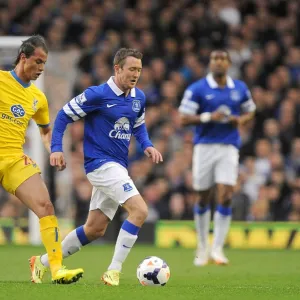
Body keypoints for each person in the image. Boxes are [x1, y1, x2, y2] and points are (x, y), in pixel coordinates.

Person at [30, 48, 163, 286]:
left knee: (94, 229)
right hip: (100, 165)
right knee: (140, 211)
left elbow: (139, 126)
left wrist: (148, 145)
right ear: (117, 68)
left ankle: (41, 261)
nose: (136, 74)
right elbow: (63, 116)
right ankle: (114, 270)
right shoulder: (97, 95)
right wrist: (57, 148)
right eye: (131, 69)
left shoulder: (138, 98)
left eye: (139, 70)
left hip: (118, 167)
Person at [0, 35, 83, 283]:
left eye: (44, 63)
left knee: (46, 207)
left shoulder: (38, 98)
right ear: (23, 57)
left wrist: (53, 149)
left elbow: (45, 131)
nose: (41, 68)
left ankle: (56, 269)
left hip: (13, 157)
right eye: (37, 61)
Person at [178, 50, 256, 266]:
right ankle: (202, 246)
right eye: (215, 59)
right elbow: (183, 118)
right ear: (210, 63)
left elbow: (251, 110)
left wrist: (240, 120)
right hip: (204, 147)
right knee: (203, 197)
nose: (219, 63)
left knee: (226, 195)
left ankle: (218, 249)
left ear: (229, 63)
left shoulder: (239, 88)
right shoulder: (198, 89)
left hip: (229, 146)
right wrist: (207, 117)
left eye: (223, 59)